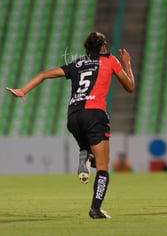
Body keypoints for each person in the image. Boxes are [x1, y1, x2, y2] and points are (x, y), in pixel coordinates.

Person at [5, 32, 135, 219]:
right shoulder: (110, 59)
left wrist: (23, 90)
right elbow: (130, 86)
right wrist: (127, 63)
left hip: (73, 117)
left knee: (88, 146)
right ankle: (95, 208)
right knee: (103, 166)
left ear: (86, 49)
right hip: (94, 115)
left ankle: (85, 152)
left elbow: (44, 74)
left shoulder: (78, 63)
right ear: (104, 47)